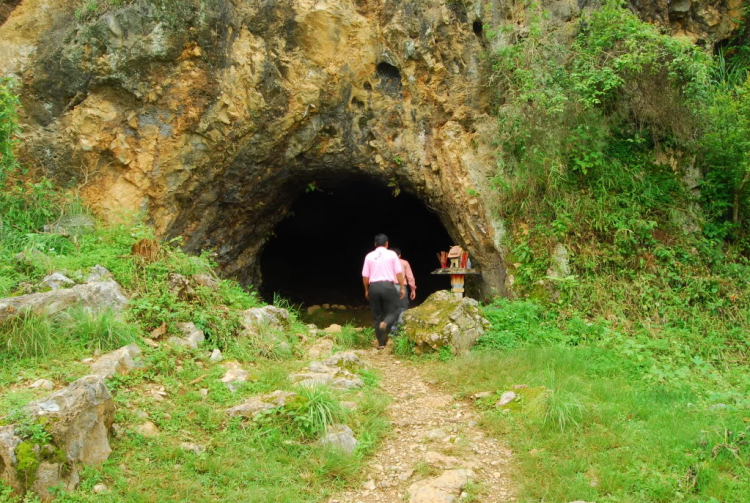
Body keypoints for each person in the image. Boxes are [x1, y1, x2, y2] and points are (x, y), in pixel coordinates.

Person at [362, 234, 405, 349]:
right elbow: (399, 273)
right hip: (388, 286)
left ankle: (381, 343)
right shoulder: (392, 254)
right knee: (394, 311)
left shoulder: (369, 256)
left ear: (375, 244)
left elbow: (365, 276)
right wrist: (401, 287)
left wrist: (367, 290)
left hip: (374, 287)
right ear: (387, 244)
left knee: (376, 316)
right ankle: (385, 323)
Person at [390, 247, 416, 327]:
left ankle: (393, 330)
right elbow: (410, 277)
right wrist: (413, 290)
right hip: (401, 288)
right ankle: (400, 328)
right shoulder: (405, 263)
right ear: (400, 255)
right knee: (402, 308)